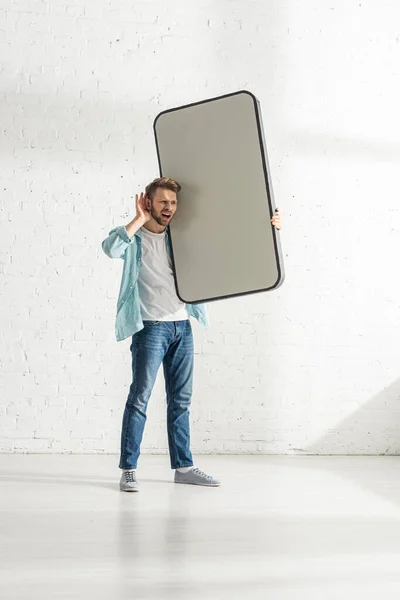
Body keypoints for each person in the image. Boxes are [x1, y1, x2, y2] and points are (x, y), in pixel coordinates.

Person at [102, 177, 282, 492]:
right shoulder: (135, 239)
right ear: (148, 202)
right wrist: (138, 219)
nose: (169, 208)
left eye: (173, 202)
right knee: (140, 398)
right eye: (162, 202)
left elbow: (228, 243)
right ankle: (128, 469)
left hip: (182, 325)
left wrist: (268, 227)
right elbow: (109, 248)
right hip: (150, 327)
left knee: (181, 401)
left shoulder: (181, 236)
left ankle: (183, 466)